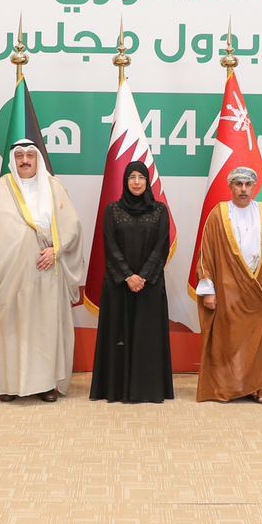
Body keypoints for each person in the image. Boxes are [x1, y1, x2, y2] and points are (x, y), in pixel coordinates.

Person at [0, 140, 85, 402]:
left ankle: (45, 385)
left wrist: (56, 250)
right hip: (5, 277)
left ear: (38, 159)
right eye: (19, 155)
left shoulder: (54, 188)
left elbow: (72, 226)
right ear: (13, 159)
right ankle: (7, 385)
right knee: (9, 331)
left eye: (30, 155)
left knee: (43, 330)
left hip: (44, 275)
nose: (25, 160)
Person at [194, 167, 262, 403]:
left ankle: (259, 387)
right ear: (231, 186)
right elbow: (205, 255)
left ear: (254, 186)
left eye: (248, 184)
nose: (243, 189)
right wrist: (208, 291)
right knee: (229, 341)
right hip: (228, 293)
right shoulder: (218, 215)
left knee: (258, 343)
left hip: (259, 292)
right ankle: (231, 388)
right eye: (238, 184)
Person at [90, 161, 175, 403]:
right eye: (131, 177)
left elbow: (161, 247)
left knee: (147, 337)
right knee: (119, 335)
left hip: (150, 285)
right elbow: (110, 246)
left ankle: (148, 389)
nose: (136, 182)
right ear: (125, 181)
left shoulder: (160, 211)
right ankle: (117, 390)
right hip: (119, 285)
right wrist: (128, 276)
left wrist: (143, 276)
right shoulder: (112, 210)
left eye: (141, 177)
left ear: (147, 181)